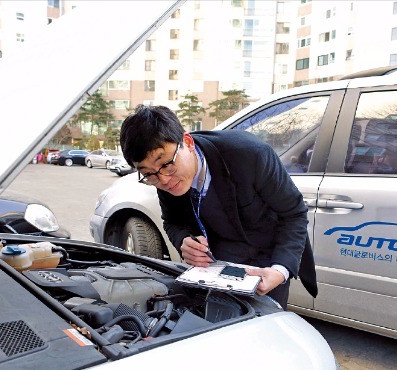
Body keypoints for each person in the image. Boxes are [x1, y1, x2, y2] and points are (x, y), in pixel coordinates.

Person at [120, 105, 317, 308]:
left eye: (166, 165)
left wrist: (280, 270)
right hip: (215, 264)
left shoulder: (249, 155)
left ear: (187, 142)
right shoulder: (161, 175)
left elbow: (294, 214)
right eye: (149, 174)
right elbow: (172, 222)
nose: (164, 180)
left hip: (266, 260)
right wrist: (184, 241)